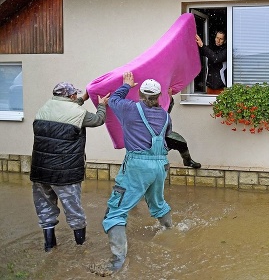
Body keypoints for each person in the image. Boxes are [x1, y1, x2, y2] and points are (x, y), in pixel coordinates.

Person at [100, 72, 173, 275]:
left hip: (137, 166)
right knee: (158, 203)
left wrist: (126, 85)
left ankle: (117, 262)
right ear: (159, 97)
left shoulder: (130, 109)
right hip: (161, 166)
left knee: (116, 211)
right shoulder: (166, 115)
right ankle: (170, 231)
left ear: (140, 94)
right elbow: (166, 137)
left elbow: (113, 100)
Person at [31, 82, 110, 252]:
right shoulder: (78, 113)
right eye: (75, 95)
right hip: (64, 173)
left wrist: (82, 99)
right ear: (71, 96)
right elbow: (98, 120)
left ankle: (49, 247)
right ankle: (81, 249)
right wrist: (102, 106)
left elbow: (66, 111)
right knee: (74, 211)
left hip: (40, 172)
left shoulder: (44, 108)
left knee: (45, 209)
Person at [166, 88, 201, 168]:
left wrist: (169, 97)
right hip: (146, 136)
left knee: (180, 142)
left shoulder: (159, 106)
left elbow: (166, 110)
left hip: (162, 133)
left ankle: (188, 161)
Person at [195, 30, 227, 95]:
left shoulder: (226, 50)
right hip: (210, 85)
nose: (218, 40)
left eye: (221, 39)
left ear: (224, 40)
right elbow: (199, 51)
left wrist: (202, 46)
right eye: (217, 38)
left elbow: (216, 58)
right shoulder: (211, 48)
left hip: (221, 86)